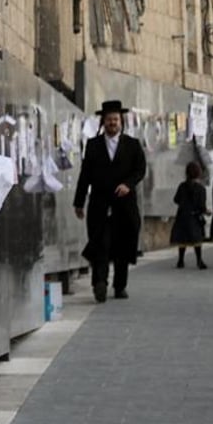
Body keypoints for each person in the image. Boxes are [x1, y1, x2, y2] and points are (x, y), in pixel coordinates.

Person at [74, 100, 147, 302]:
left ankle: (120, 285)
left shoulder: (132, 145)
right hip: (100, 203)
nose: (112, 123)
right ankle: (100, 283)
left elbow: (140, 169)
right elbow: (85, 175)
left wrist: (128, 184)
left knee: (123, 246)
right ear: (103, 122)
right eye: (109, 120)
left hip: (124, 205)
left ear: (121, 121)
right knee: (100, 244)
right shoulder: (93, 145)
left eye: (115, 119)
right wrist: (79, 202)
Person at [171, 161, 209, 269]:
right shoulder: (201, 189)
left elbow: (176, 200)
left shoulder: (182, 186)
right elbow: (202, 206)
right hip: (195, 217)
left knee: (182, 240)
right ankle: (199, 260)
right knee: (197, 240)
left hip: (182, 215)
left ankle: (180, 260)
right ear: (198, 173)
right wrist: (206, 211)